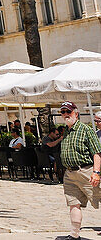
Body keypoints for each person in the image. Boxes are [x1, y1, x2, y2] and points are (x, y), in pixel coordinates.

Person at [58, 101, 101, 240]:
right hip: (70, 174)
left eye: (68, 112)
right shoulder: (66, 131)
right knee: (73, 203)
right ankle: (74, 235)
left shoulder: (86, 130)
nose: (65, 115)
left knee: (99, 198)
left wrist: (96, 172)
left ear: (76, 113)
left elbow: (97, 152)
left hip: (86, 171)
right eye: (63, 112)